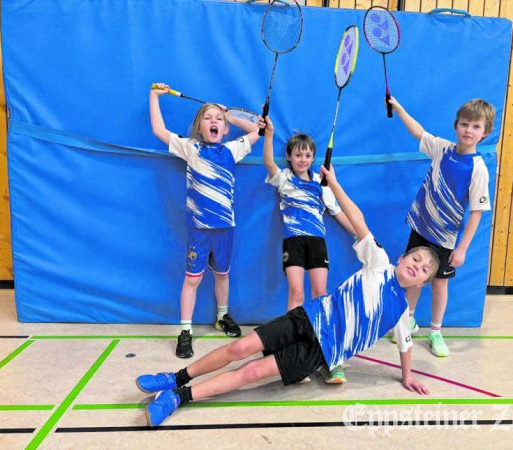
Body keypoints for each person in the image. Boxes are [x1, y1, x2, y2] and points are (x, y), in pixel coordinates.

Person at [136, 163, 440, 427]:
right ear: (402, 259)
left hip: (320, 353)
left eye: (425, 269)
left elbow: (406, 346)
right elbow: (358, 221)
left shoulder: (401, 312)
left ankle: (178, 397)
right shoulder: (379, 262)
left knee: (252, 371)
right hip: (307, 318)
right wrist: (333, 183)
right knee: (240, 349)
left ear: (423, 283)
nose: (418, 266)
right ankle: (176, 377)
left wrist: (408, 376)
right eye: (416, 260)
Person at [150, 83, 264, 358]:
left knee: (223, 275)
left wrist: (230, 115)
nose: (214, 122)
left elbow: (256, 131)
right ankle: (185, 331)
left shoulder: (232, 149)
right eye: (208, 118)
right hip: (199, 230)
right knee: (193, 279)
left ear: (224, 129)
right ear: (199, 126)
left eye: (219, 120)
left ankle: (222, 316)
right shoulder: (190, 147)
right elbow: (158, 131)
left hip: (225, 228)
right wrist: (154, 96)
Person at [387, 96, 494, 357]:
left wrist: (462, 249)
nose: (469, 130)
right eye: (465, 124)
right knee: (414, 277)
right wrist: (399, 107)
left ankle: (435, 331)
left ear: (485, 133)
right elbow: (418, 132)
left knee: (438, 285)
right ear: (456, 125)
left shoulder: (478, 168)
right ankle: (409, 319)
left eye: (476, 127)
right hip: (420, 228)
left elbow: (477, 213)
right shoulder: (442, 149)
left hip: (445, 239)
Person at [262, 116, 356, 384]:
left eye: (308, 155)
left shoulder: (321, 184)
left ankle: (326, 350)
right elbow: (268, 162)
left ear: (314, 157)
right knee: (296, 292)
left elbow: (339, 214)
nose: (303, 159)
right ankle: (290, 345)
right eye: (298, 155)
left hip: (316, 243)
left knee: (320, 295)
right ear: (290, 158)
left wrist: (361, 235)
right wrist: (269, 135)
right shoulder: (283, 179)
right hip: (293, 241)